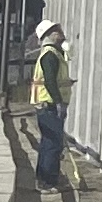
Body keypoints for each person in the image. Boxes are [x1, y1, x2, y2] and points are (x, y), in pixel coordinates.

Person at [31, 18, 71, 186]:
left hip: (47, 105)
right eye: (57, 31)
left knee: (48, 143)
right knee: (53, 144)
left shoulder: (52, 54)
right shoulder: (50, 55)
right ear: (50, 34)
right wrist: (59, 102)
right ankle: (48, 181)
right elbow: (49, 81)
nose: (61, 34)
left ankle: (43, 179)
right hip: (50, 106)